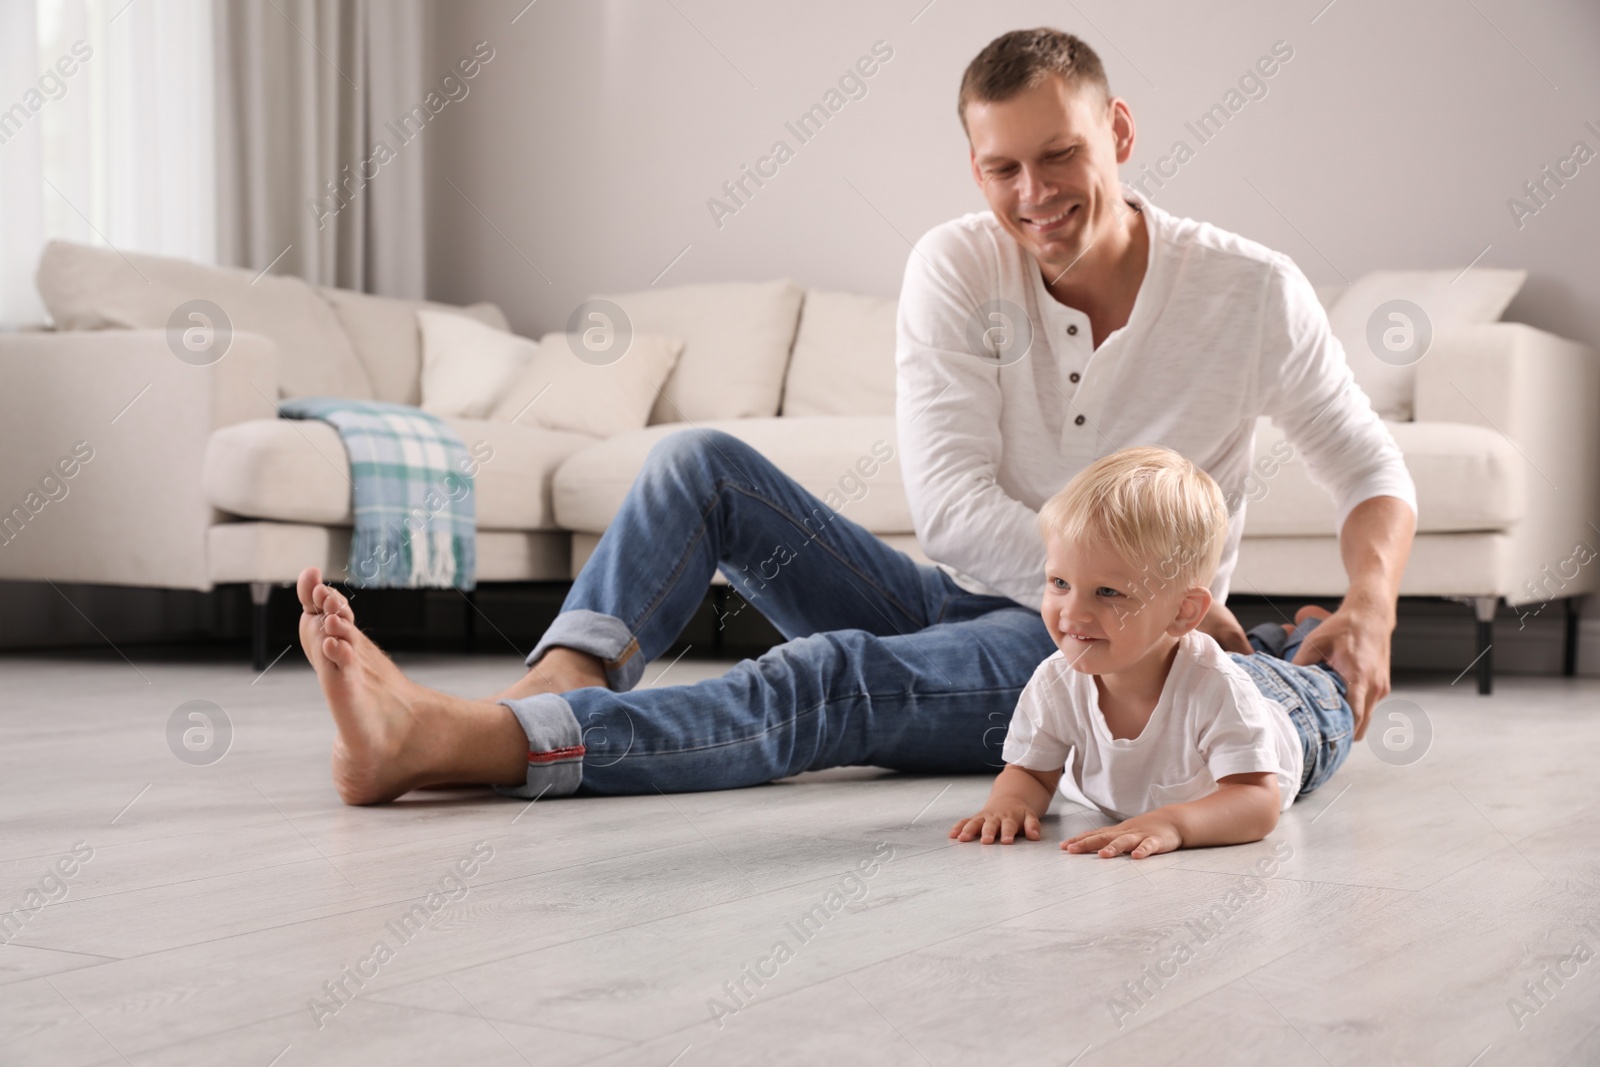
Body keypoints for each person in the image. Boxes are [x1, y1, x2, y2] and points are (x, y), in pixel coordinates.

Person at [295, 26, 1414, 806]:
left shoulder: (1250, 290)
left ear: (1118, 131)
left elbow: (1369, 465)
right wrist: (1046, 586)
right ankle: (558, 688)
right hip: (958, 591)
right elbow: (955, 509)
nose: (1034, 196)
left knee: (833, 677)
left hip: (1103, 641)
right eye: (1002, 168)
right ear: (973, 166)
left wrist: (1369, 603)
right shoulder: (956, 265)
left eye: (1061, 154)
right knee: (700, 467)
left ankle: (457, 742)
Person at [949, 446, 1351, 857]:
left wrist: (1175, 823)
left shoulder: (1218, 689)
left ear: (1183, 611)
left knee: (1327, 678)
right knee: (1251, 662)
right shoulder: (1055, 681)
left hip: (1298, 714)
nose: (1073, 612)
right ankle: (1270, 638)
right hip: (1209, 664)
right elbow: (1031, 773)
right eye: (1059, 583)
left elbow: (1255, 800)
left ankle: (1311, 630)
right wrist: (1009, 804)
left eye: (1107, 592)